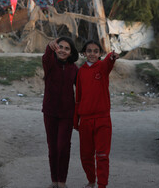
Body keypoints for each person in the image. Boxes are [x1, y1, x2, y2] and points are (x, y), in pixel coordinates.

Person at [74, 40, 119, 188]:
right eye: (89, 51)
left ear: (100, 53)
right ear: (84, 53)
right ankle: (91, 181)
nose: (92, 54)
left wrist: (112, 55)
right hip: (85, 120)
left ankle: (102, 185)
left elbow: (109, 62)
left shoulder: (103, 67)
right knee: (86, 156)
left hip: (102, 119)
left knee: (102, 156)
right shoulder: (81, 72)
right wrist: (76, 120)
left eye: (95, 51)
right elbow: (78, 97)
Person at [42, 37, 79, 188]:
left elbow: (82, 90)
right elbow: (46, 57)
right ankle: (54, 181)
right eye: (60, 47)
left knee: (63, 146)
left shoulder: (75, 69)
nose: (63, 50)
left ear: (71, 53)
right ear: (56, 49)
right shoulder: (50, 64)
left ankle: (62, 182)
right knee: (52, 147)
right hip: (50, 112)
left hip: (67, 114)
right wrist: (48, 47)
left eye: (67, 48)